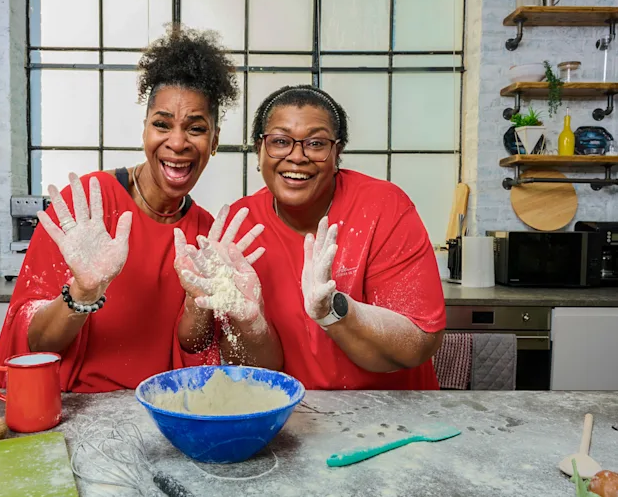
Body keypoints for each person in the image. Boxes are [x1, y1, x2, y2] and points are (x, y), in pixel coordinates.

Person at [0, 26, 250, 393]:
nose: (177, 142)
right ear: (145, 130)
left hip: (165, 412)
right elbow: (35, 344)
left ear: (214, 141)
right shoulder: (86, 206)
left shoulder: (205, 234)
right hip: (75, 410)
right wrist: (83, 291)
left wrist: (200, 301)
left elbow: (195, 349)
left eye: (195, 128)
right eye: (162, 124)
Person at [176, 84, 446, 390]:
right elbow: (260, 372)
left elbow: (418, 345)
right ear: (259, 149)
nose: (297, 157)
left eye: (316, 144)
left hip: (391, 418)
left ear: (337, 151)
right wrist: (251, 324)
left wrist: (335, 310)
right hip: (296, 418)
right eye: (280, 141)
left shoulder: (383, 208)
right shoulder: (241, 230)